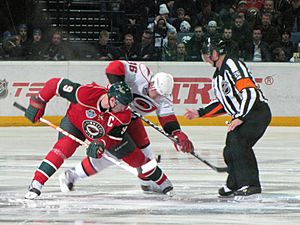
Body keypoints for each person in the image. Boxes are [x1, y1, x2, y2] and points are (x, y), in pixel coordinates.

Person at [59, 60, 194, 194]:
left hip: (131, 120)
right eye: (158, 93)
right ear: (152, 85)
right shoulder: (141, 73)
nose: (159, 97)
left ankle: (146, 183)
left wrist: (177, 133)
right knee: (112, 155)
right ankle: (72, 175)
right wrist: (120, 93)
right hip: (113, 116)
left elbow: (167, 119)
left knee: (146, 153)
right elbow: (113, 67)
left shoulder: (164, 97)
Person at [24, 79, 172, 199]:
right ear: (112, 100)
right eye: (122, 105)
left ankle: (164, 183)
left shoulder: (124, 115)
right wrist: (39, 102)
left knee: (136, 160)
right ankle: (36, 184)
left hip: (102, 135)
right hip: (74, 123)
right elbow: (54, 84)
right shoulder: (86, 94)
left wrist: (102, 143)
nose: (125, 108)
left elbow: (113, 138)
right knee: (64, 148)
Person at [184, 38, 272, 200]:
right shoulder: (218, 75)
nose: (205, 57)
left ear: (215, 53)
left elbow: (249, 92)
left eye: (207, 54)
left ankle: (251, 185)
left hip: (256, 112)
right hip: (244, 115)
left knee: (239, 144)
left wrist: (241, 116)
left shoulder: (233, 65)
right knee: (230, 149)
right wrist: (201, 112)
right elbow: (224, 103)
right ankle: (235, 183)